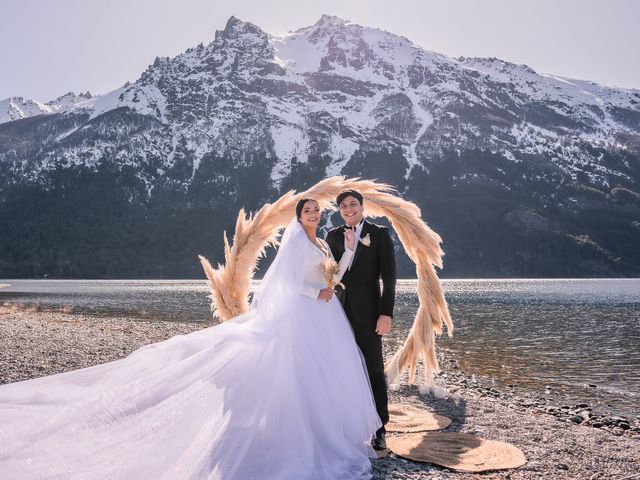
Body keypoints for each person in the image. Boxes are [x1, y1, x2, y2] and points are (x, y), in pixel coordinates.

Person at [0, 198, 382, 480]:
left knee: (327, 372)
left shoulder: (320, 243)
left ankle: (330, 429)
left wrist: (347, 254)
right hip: (308, 312)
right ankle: (304, 434)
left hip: (325, 314)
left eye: (317, 212)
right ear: (299, 217)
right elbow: (285, 283)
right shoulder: (297, 243)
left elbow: (333, 273)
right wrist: (313, 294)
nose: (314, 216)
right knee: (300, 371)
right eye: (307, 212)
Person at [326, 190, 396, 451]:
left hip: (370, 315)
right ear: (339, 211)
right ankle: (348, 424)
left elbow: (389, 278)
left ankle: (380, 427)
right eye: (343, 206)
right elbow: (330, 276)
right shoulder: (332, 236)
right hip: (338, 313)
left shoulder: (378, 234)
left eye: (353, 204)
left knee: (374, 370)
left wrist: (386, 313)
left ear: (362, 206)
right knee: (342, 369)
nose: (348, 209)